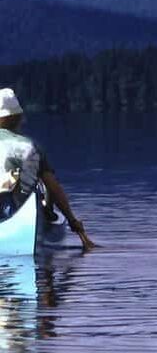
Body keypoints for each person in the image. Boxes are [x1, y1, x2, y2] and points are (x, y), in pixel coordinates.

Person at [0, 88, 95, 250]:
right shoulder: (30, 147)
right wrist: (72, 220)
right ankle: (47, 213)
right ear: (18, 118)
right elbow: (54, 187)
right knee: (40, 185)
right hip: (18, 207)